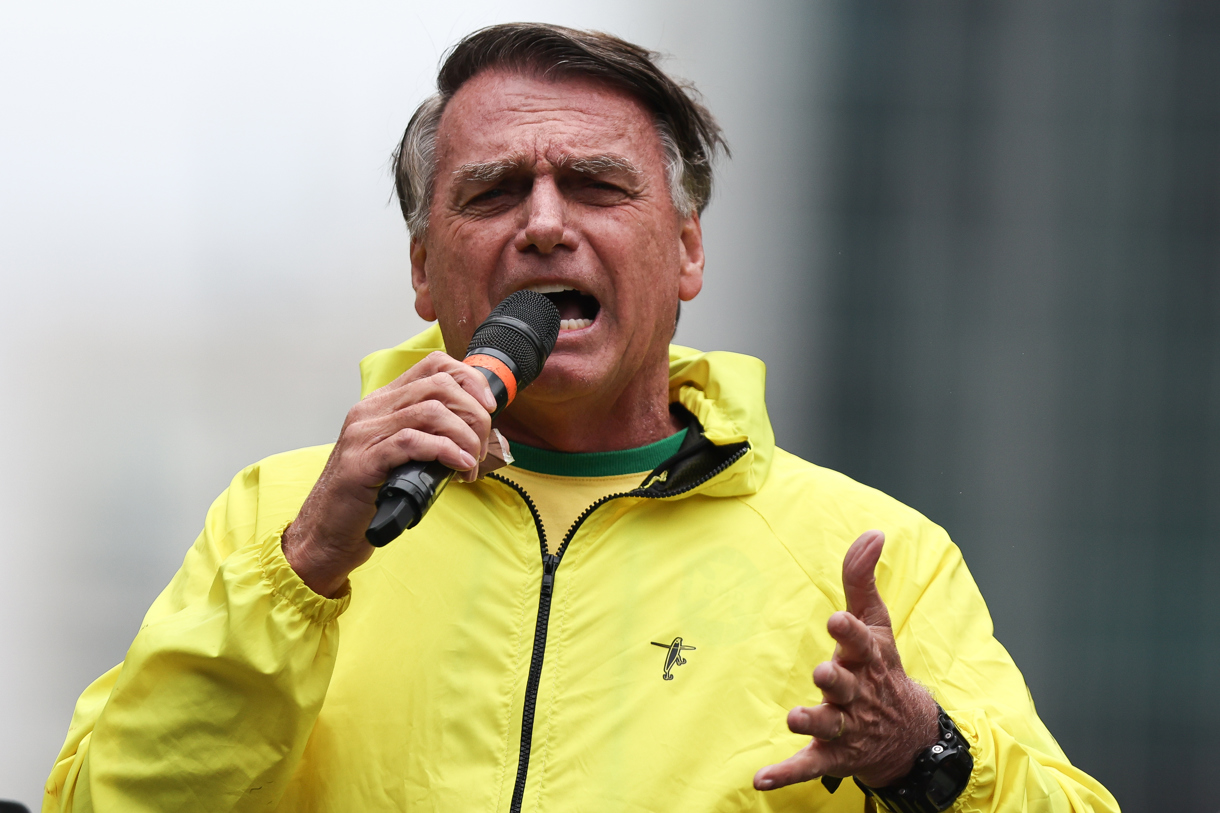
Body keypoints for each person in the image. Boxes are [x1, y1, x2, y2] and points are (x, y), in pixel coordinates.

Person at [44, 23, 1118, 813]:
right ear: (424, 270)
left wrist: (921, 754)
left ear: (687, 251)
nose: (545, 225)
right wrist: (307, 567)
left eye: (596, 187)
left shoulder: (867, 558)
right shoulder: (281, 519)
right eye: (494, 191)